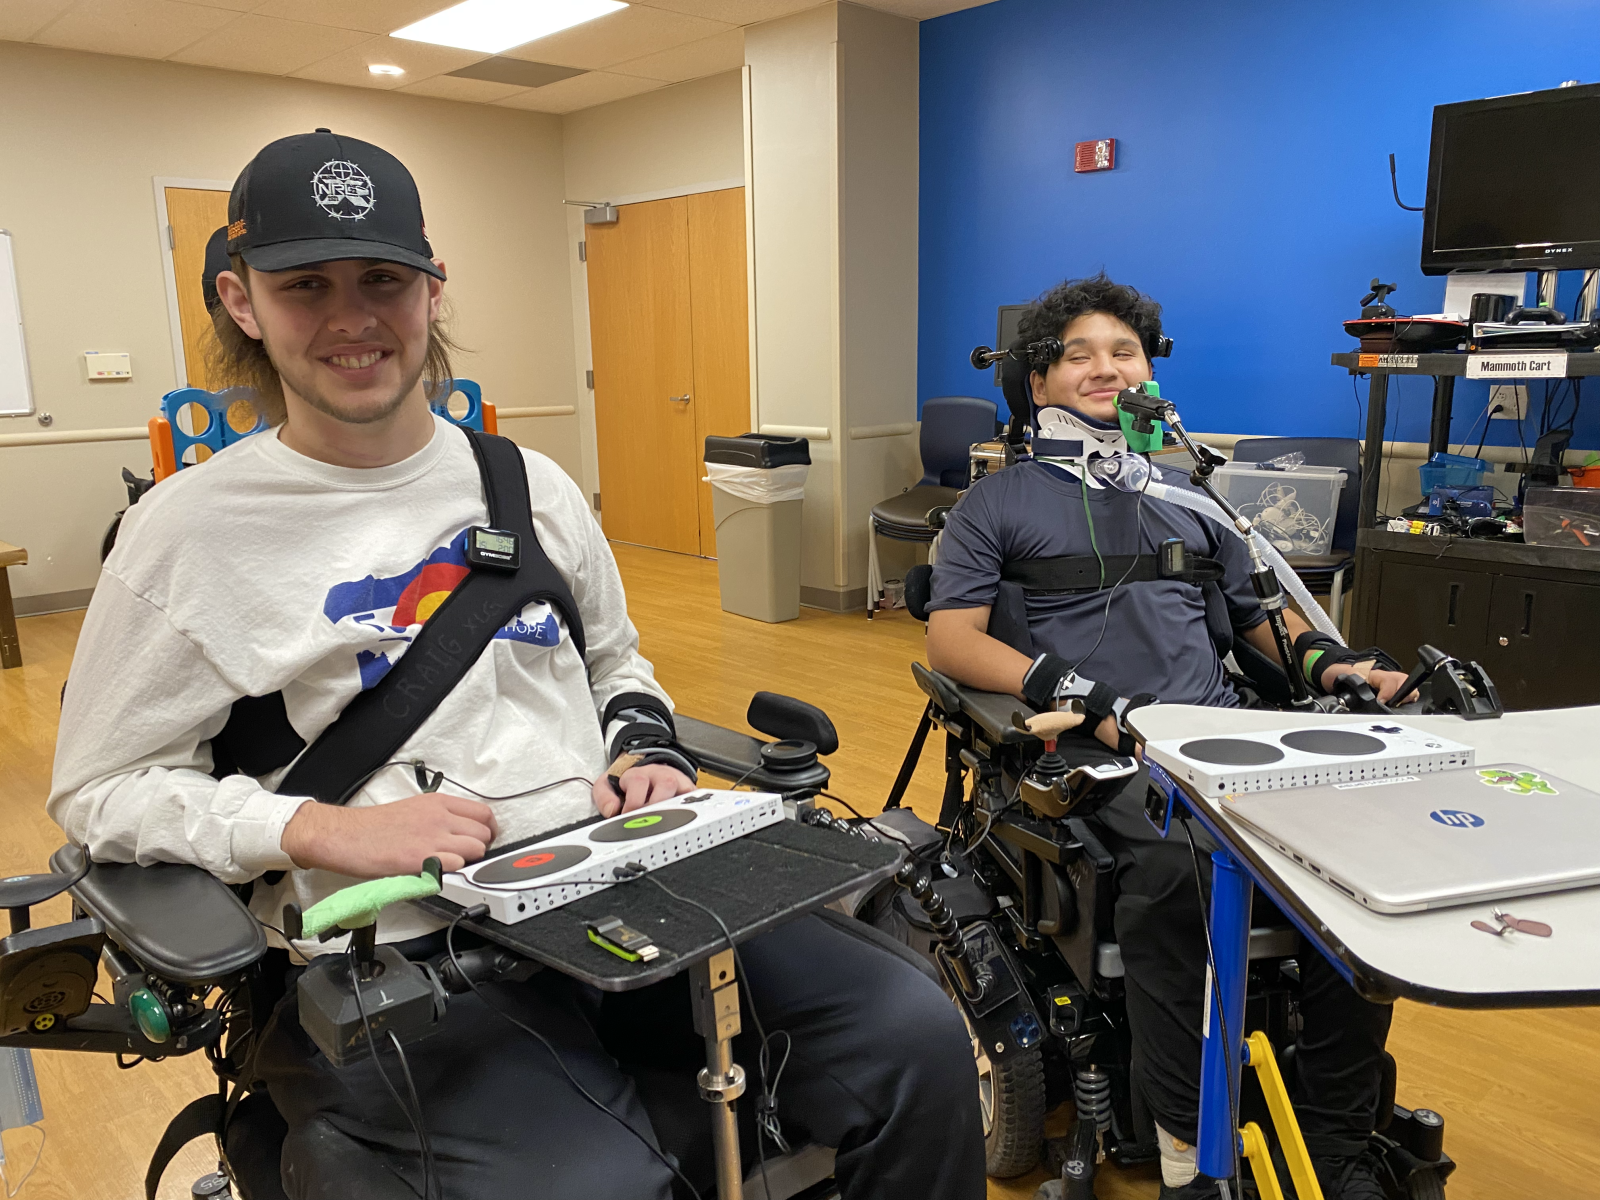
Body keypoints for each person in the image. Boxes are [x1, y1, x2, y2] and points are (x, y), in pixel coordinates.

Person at [49, 129, 983, 1200]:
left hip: (610, 877)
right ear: (241, 301)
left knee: (909, 1037)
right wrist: (313, 829)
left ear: (432, 291)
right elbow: (99, 792)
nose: (353, 318)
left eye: (383, 280)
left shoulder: (525, 482)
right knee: (598, 1183)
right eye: (306, 285)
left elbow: (616, 663)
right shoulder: (188, 533)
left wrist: (643, 744)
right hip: (403, 946)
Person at [925, 274, 1407, 1200]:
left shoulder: (1193, 496)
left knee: (1356, 870)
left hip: (1223, 736)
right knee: (1183, 876)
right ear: (1039, 384)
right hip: (1098, 747)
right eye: (1079, 354)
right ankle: (1189, 1152)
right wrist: (1080, 692)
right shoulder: (1000, 501)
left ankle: (1339, 1141)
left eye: (1124, 353)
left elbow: (1266, 620)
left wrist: (1336, 670)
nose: (1106, 368)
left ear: (1149, 372)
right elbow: (953, 637)